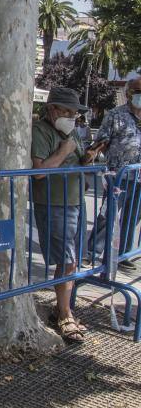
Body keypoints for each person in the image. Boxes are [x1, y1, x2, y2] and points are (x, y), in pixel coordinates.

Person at [30, 87, 90, 343]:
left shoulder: (72, 132)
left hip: (76, 201)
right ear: (52, 109)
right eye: (66, 111)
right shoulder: (41, 131)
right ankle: (65, 313)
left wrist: (89, 155)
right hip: (54, 203)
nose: (70, 116)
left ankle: (63, 308)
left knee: (72, 260)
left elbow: (78, 158)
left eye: (74, 112)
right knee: (66, 260)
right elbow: (39, 171)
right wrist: (64, 151)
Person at [84, 78, 141, 272]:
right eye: (138, 91)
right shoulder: (116, 115)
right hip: (118, 176)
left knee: (132, 217)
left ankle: (121, 254)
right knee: (106, 215)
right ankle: (92, 254)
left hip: (139, 178)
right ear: (128, 93)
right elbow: (101, 141)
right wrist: (90, 154)